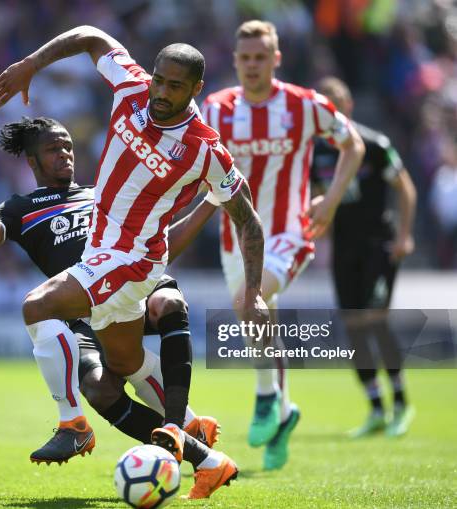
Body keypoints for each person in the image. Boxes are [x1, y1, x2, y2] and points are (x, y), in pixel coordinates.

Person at [0, 28, 268, 497]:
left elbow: (249, 220)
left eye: (175, 86)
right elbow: (92, 37)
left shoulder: (204, 149)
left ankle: (72, 424)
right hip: (102, 254)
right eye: (159, 80)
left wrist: (253, 292)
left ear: (196, 88)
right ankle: (208, 458)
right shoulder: (133, 88)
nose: (160, 92)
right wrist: (31, 64)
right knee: (126, 365)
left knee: (37, 306)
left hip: (132, 261)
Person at [0, 116, 221, 472]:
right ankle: (195, 447)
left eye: (67, 146)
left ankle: (178, 419)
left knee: (167, 303)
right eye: (53, 149)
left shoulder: (105, 194)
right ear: (32, 162)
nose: (65, 154)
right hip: (83, 310)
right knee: (99, 388)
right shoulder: (19, 208)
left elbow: (161, 247)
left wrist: (212, 201)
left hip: (132, 283)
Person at [173, 20, 365, 471]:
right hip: (233, 235)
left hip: (289, 231)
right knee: (261, 319)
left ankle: (264, 398)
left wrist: (331, 201)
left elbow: (352, 144)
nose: (253, 65)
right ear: (235, 60)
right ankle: (284, 414)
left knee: (249, 301)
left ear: (276, 59)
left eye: (262, 57)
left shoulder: (304, 106)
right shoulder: (216, 109)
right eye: (246, 57)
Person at [311, 76, 417, 438]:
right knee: (354, 325)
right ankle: (375, 408)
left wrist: (404, 236)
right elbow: (317, 198)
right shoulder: (318, 152)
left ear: (349, 106)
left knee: (375, 319)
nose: (331, 112)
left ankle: (401, 403)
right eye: (323, 107)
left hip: (379, 244)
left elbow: (405, 189)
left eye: (335, 104)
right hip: (345, 247)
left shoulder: (373, 144)